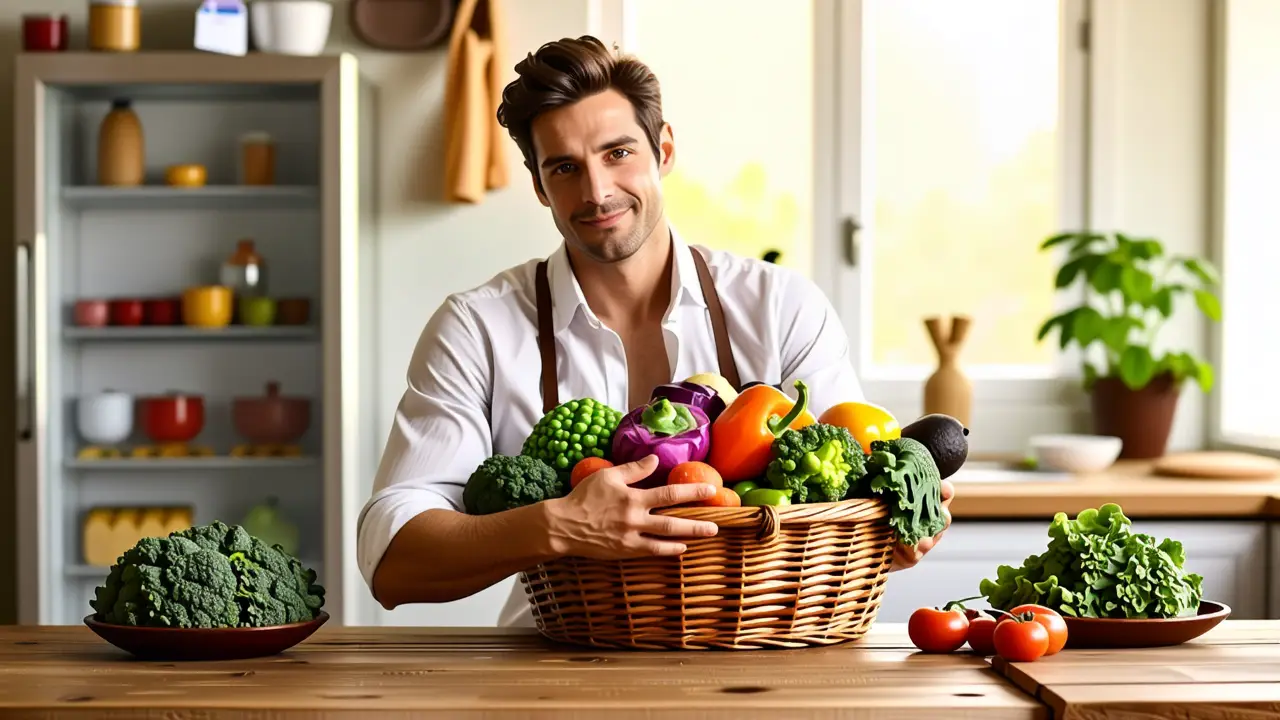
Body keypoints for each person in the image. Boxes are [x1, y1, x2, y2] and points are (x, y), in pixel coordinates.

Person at [357, 35, 954, 625]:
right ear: (540, 186)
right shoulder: (477, 327)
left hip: (764, 663)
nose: (596, 191)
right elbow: (391, 558)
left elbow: (854, 499)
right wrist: (556, 526)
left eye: (618, 153)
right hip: (555, 668)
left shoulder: (781, 307)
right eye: (565, 167)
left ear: (663, 150)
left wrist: (899, 526)